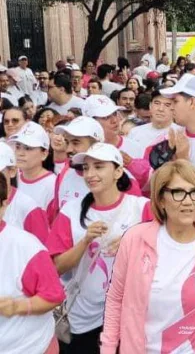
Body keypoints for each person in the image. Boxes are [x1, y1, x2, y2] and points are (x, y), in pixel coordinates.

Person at [100, 160, 195, 353]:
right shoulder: (135, 240)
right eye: (178, 193)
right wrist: (108, 349)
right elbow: (116, 299)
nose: (188, 201)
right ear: (161, 199)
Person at [46, 143, 152, 354]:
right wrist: (85, 242)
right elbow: (56, 267)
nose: (90, 174)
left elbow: (164, 251)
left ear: (118, 171)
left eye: (99, 166)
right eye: (86, 168)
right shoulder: (71, 211)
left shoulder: (141, 207)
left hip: (131, 315)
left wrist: (130, 241)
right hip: (83, 320)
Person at [0, 172, 65, 354]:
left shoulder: (26, 247)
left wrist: (16, 306)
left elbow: (53, 296)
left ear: (4, 205)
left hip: (28, 347)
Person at [9, 121, 56, 213]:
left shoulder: (53, 184)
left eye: (28, 148)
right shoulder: (11, 176)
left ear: (44, 154)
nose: (20, 153)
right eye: (18, 147)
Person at [84, 94, 144, 160]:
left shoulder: (135, 147)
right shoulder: (83, 152)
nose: (114, 120)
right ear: (91, 121)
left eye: (115, 114)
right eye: (106, 117)